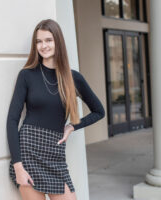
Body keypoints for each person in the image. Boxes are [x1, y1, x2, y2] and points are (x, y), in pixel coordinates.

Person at [7, 19, 105, 200]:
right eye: (39, 41)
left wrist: (72, 126)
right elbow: (12, 120)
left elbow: (99, 111)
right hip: (28, 152)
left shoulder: (73, 78)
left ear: (58, 41)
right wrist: (18, 166)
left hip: (55, 152)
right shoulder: (27, 75)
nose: (43, 46)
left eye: (48, 40)